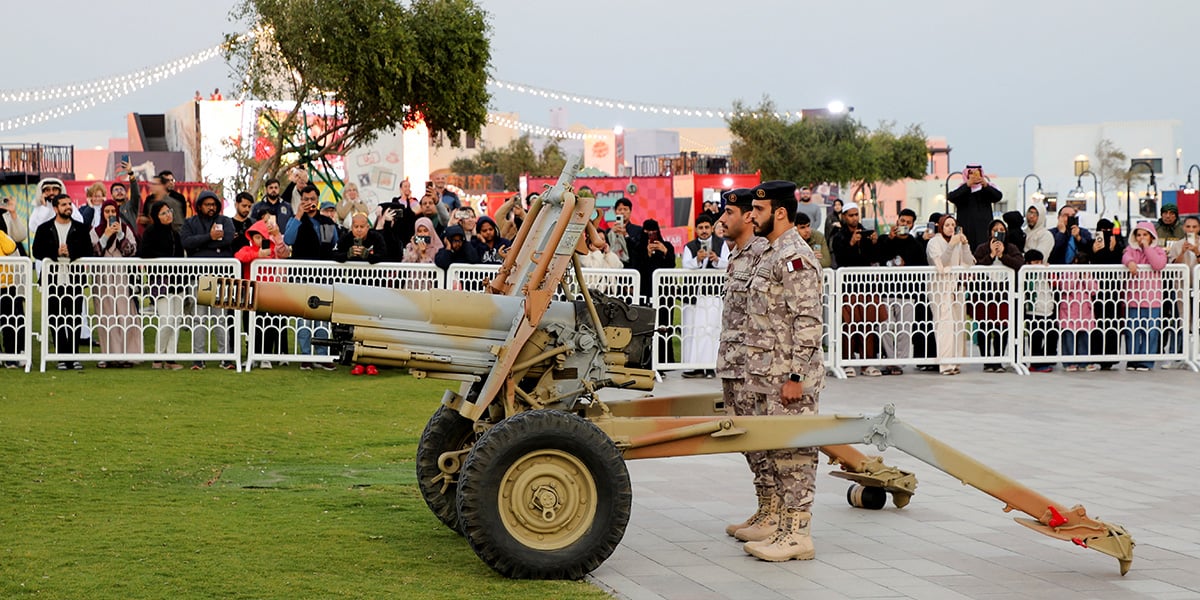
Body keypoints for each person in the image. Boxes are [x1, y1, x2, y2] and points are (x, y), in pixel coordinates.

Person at [740, 181, 824, 562]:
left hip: (787, 378)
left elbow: (807, 321)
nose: (751, 216)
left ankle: (799, 535)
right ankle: (783, 529)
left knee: (795, 455)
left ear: (779, 212)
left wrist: (796, 377)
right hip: (766, 375)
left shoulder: (795, 257)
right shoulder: (772, 253)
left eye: (758, 210)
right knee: (776, 454)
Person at [716, 188, 773, 544]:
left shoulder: (761, 254)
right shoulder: (737, 254)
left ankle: (772, 512)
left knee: (758, 438)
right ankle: (765, 507)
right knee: (746, 440)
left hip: (752, 366)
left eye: (730, 212)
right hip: (733, 363)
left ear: (749, 217)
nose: (723, 218)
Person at [32, 193, 94, 370]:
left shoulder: (81, 228)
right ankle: (61, 356)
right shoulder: (44, 228)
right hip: (53, 280)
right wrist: (56, 252)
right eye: (64, 204)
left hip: (74, 280)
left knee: (74, 319)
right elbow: (36, 251)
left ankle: (73, 356)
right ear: (56, 208)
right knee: (56, 318)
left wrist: (71, 252)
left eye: (69, 204)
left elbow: (88, 251)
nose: (68, 207)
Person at [283, 185, 339, 371]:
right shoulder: (296, 220)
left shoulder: (327, 222)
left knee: (322, 317)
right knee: (304, 318)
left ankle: (322, 356)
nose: (308, 203)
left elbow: (333, 244)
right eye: (305, 199)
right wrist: (298, 216)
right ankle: (305, 356)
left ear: (317, 200)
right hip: (302, 276)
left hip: (323, 275)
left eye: (312, 199)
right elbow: (288, 240)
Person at [181, 191, 236, 369]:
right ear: (199, 206)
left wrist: (201, 245)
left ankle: (225, 358)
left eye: (214, 204)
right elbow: (187, 243)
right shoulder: (190, 223)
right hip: (199, 277)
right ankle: (199, 357)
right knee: (199, 318)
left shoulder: (225, 221)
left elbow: (226, 240)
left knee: (220, 318)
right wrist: (209, 238)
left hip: (220, 277)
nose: (211, 207)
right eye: (207, 204)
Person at [873, 209, 928, 374]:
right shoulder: (885, 239)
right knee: (885, 328)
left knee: (905, 330)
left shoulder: (916, 244)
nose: (904, 224)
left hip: (906, 294)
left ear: (912, 225)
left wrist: (906, 264)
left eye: (908, 222)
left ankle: (900, 362)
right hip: (885, 292)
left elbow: (922, 268)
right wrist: (890, 239)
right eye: (902, 221)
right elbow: (878, 257)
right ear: (897, 221)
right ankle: (890, 361)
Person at [90, 200, 141, 368]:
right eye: (107, 211)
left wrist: (119, 235)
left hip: (122, 278)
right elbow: (93, 253)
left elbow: (132, 251)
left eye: (113, 211)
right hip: (103, 279)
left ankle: (128, 355)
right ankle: (110, 355)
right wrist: (105, 235)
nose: (111, 214)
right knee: (107, 317)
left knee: (126, 315)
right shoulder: (96, 231)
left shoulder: (126, 230)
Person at [234, 218, 290, 369]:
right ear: (251, 238)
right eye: (256, 237)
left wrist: (276, 237)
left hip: (269, 295)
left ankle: (266, 356)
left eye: (262, 237)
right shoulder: (248, 250)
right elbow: (239, 256)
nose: (259, 240)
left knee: (269, 327)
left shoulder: (273, 251)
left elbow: (284, 253)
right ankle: (252, 355)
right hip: (251, 295)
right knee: (251, 328)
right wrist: (257, 254)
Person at [137, 201, 186, 370]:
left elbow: (180, 257)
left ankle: (171, 358)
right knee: (166, 320)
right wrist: (165, 259)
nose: (168, 215)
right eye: (163, 213)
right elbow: (144, 253)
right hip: (160, 282)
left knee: (176, 321)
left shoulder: (175, 233)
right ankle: (158, 356)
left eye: (169, 211)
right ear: (156, 217)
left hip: (177, 282)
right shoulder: (151, 232)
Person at [679, 212, 728, 378]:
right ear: (696, 230)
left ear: (712, 228)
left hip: (712, 296)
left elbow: (728, 264)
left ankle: (711, 366)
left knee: (711, 330)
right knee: (693, 330)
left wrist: (716, 260)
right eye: (701, 228)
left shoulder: (721, 244)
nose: (704, 230)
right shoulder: (690, 246)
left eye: (707, 227)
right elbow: (686, 266)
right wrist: (697, 261)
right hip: (694, 296)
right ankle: (694, 366)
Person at [971, 219, 1023, 372]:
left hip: (1003, 296)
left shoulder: (1011, 248)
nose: (999, 232)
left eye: (1002, 229)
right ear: (990, 233)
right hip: (984, 295)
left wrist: (1002, 256)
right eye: (995, 229)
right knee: (984, 328)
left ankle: (999, 360)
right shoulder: (982, 248)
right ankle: (987, 361)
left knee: (1002, 328)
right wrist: (991, 255)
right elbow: (975, 266)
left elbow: (1020, 264)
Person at [925, 215, 974, 375]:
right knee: (944, 324)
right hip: (939, 287)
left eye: (953, 224)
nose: (950, 228)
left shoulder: (957, 241)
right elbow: (941, 263)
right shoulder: (934, 242)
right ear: (940, 226)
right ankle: (946, 364)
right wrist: (951, 246)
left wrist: (965, 244)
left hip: (956, 287)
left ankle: (956, 362)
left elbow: (968, 262)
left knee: (958, 324)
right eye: (947, 225)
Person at [1122, 222, 1168, 371]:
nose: (1142, 238)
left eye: (1145, 234)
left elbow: (1158, 264)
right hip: (1133, 299)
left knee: (1151, 331)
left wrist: (1147, 248)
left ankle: (1146, 362)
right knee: (1132, 330)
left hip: (1152, 300)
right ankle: (1132, 360)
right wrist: (1130, 263)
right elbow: (1125, 257)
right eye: (1139, 234)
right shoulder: (1130, 249)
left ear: (1151, 236)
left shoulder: (1159, 251)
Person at [1087, 218, 1126, 371]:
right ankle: (1095, 355)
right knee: (1097, 322)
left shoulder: (1117, 242)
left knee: (1112, 322)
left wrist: (1114, 249)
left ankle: (1110, 357)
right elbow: (1091, 261)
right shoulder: (1093, 243)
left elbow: (1119, 261)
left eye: (1108, 230)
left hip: (1113, 289)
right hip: (1096, 289)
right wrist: (1094, 251)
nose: (1105, 233)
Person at [1050, 253, 1099, 373]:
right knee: (1068, 336)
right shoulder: (1067, 272)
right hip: (1069, 310)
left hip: (1085, 311)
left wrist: (1086, 278)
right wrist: (1076, 275)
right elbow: (1066, 287)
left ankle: (1085, 361)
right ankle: (1069, 362)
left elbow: (1094, 290)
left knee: (1084, 337)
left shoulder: (1089, 274)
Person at [947, 164, 1003, 249]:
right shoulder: (962, 189)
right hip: (966, 231)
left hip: (984, 231)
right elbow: (951, 197)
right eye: (971, 173)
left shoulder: (986, 189)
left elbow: (998, 196)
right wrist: (967, 185)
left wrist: (986, 186)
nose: (974, 176)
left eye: (977, 173)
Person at [1022, 249, 1059, 373]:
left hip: (1048, 309)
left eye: (1040, 261)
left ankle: (1047, 359)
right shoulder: (1025, 274)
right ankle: (1036, 364)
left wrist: (1048, 271)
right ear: (1027, 263)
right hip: (1033, 312)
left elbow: (1055, 283)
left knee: (1052, 335)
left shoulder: (1045, 272)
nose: (1039, 264)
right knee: (1035, 338)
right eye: (1035, 262)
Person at [630, 218, 675, 300]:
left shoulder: (667, 246)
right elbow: (636, 268)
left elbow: (672, 264)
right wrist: (648, 255)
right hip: (644, 290)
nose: (650, 235)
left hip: (664, 292)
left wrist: (665, 252)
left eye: (654, 232)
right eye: (648, 232)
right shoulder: (637, 248)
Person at [373, 196, 417, 263]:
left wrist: (387, 223)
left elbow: (402, 207)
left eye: (393, 219)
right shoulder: (372, 233)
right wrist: (382, 220)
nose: (392, 221)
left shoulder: (396, 236)